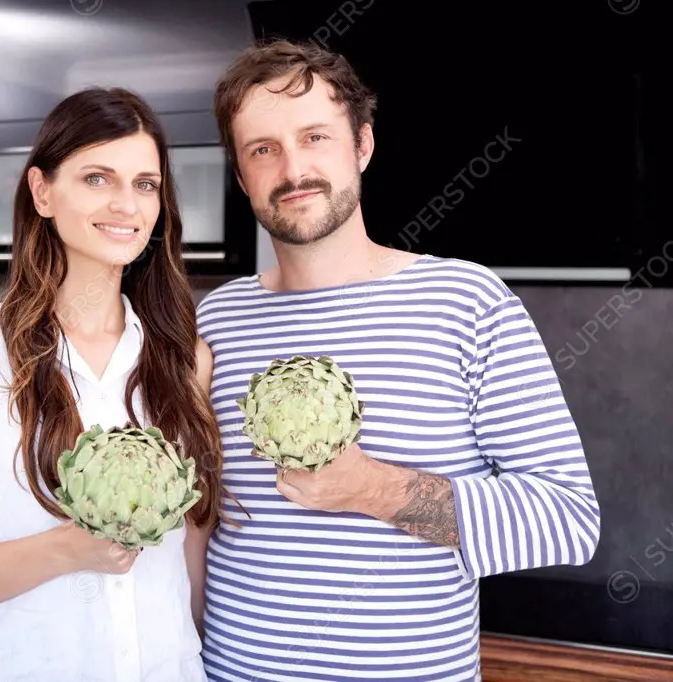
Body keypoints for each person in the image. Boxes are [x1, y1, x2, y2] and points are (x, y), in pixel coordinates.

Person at [194, 39, 601, 682]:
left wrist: (374, 489)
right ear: (241, 174)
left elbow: (568, 519)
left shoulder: (466, 303)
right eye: (262, 149)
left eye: (316, 138)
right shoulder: (214, 319)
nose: (293, 169)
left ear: (363, 146)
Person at [0, 86, 225, 681]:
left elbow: (188, 569)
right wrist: (67, 550)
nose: (127, 204)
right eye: (97, 178)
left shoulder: (184, 360)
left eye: (146, 184)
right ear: (42, 192)